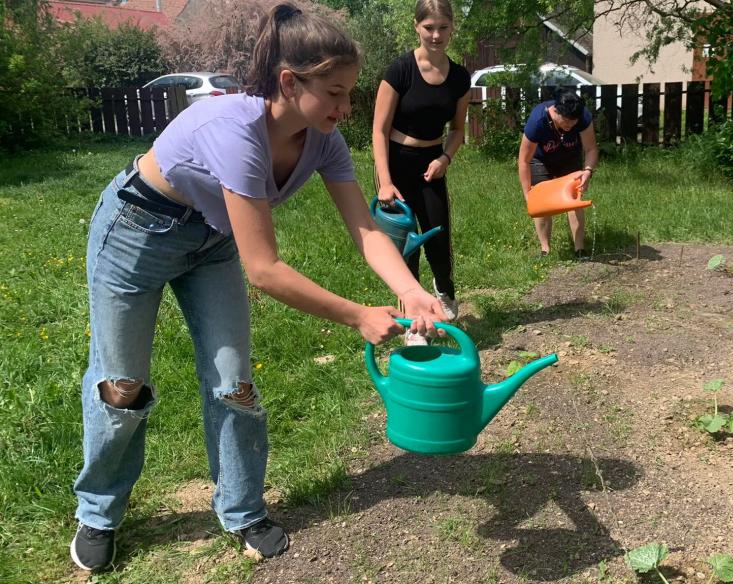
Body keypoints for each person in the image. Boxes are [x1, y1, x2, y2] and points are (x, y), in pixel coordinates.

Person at [71, 3, 445, 572]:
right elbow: (265, 270)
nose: (347, 109)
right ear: (290, 83)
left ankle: (242, 508)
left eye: (351, 94)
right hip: (137, 235)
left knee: (235, 385)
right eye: (337, 93)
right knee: (122, 386)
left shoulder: (323, 140)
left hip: (212, 241)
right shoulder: (236, 132)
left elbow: (366, 228)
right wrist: (357, 315)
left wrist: (409, 291)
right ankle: (98, 512)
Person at [372, 0, 470, 343]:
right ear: (417, 27)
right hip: (396, 164)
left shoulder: (459, 77)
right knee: (406, 247)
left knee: (439, 237)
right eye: (429, 27)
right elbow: (378, 131)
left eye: (443, 27)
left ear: (452, 28)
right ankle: (414, 325)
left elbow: (458, 129)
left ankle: (444, 292)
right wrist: (384, 182)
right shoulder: (400, 70)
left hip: (432, 164)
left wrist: (445, 158)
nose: (436, 35)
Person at [518, 88, 599, 259]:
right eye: (566, 121)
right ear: (556, 111)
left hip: (570, 156)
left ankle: (580, 250)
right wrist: (528, 195)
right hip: (540, 159)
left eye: (574, 122)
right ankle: (545, 250)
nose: (570, 126)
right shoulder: (538, 120)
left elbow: (591, 149)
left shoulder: (583, 117)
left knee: (574, 199)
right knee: (542, 202)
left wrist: (587, 172)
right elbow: (523, 160)